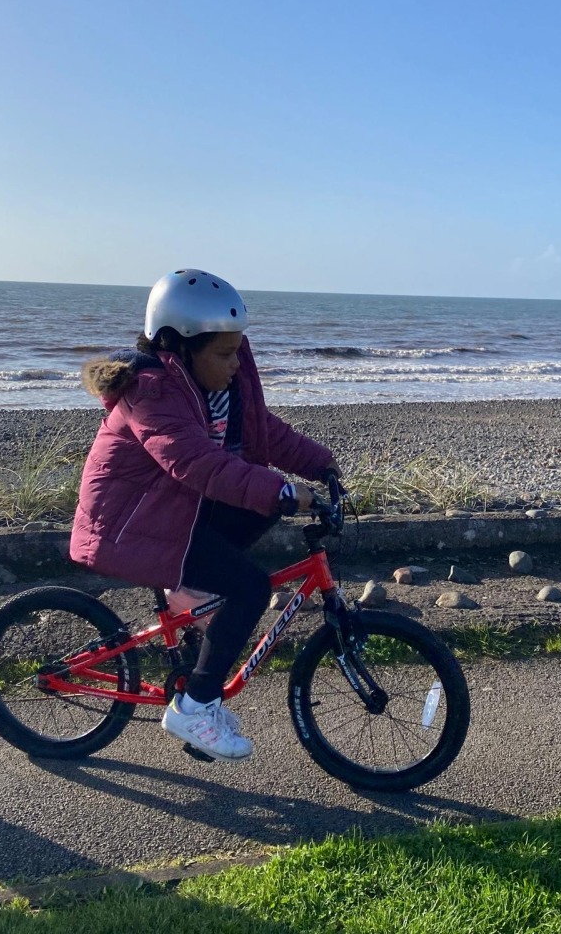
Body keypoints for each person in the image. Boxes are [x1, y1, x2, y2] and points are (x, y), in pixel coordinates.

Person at [70, 269, 340, 762]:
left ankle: (190, 598)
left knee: (259, 513)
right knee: (250, 588)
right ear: (177, 347)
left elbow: (266, 434)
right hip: (133, 525)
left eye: (238, 350)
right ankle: (195, 706)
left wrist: (322, 464)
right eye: (223, 353)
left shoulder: (216, 388)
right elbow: (195, 463)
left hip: (174, 513)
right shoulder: (150, 392)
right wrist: (279, 489)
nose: (235, 363)